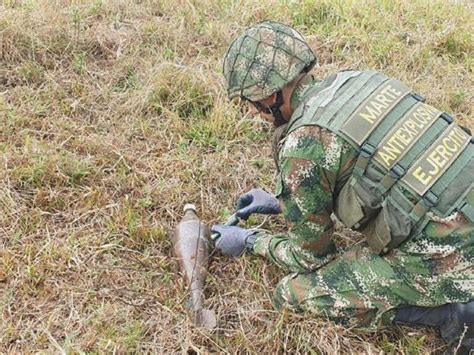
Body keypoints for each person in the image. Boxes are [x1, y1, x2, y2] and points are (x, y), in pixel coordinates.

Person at [211, 21, 474, 353]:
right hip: (459, 206)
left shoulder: (303, 144)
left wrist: (251, 242)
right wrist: (285, 202)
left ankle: (454, 310)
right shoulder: (363, 81)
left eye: (252, 101)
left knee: (295, 294)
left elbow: (308, 256)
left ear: (271, 95)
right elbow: (387, 173)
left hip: (456, 256)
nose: (253, 110)